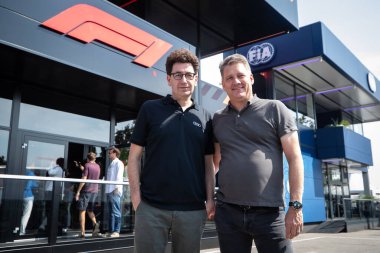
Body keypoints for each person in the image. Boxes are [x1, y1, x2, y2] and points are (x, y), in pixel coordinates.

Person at [212, 54, 304, 253]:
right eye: (229, 78)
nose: (236, 81)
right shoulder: (218, 119)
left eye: (240, 75)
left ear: (251, 78)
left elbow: (295, 158)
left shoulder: (275, 109)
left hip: (270, 214)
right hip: (228, 213)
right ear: (223, 84)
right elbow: (215, 163)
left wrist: (295, 206)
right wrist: (209, 198)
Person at [128, 48, 215, 253]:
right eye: (178, 75)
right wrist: (136, 199)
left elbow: (208, 164)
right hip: (151, 208)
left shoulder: (206, 117)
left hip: (192, 211)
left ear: (195, 80)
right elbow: (133, 157)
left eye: (189, 75)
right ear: (169, 79)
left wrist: (210, 198)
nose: (183, 80)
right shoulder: (150, 109)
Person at [75, 152, 101, 238]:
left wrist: (78, 191)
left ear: (87, 159)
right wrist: (81, 167)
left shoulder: (87, 165)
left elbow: (85, 178)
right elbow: (91, 174)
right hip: (95, 191)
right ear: (95, 159)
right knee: (90, 210)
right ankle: (95, 223)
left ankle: (82, 233)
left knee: (82, 211)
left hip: (86, 190)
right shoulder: (97, 166)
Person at [39, 157, 65, 232]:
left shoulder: (58, 169)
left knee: (49, 209)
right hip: (54, 191)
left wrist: (50, 165)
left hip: (51, 191)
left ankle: (44, 225)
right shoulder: (61, 170)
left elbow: (50, 172)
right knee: (51, 209)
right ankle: (47, 224)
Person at [104, 147, 124, 238]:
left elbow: (119, 176)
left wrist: (116, 188)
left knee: (116, 211)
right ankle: (111, 231)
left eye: (110, 153)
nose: (109, 154)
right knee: (111, 212)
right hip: (109, 190)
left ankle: (116, 231)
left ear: (115, 153)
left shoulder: (119, 163)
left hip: (114, 190)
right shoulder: (112, 163)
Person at [19, 169, 39, 236]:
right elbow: (32, 185)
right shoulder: (30, 173)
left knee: (20, 213)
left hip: (19, 195)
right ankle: (21, 231)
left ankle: (18, 229)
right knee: (26, 215)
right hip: (28, 196)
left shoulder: (21, 170)